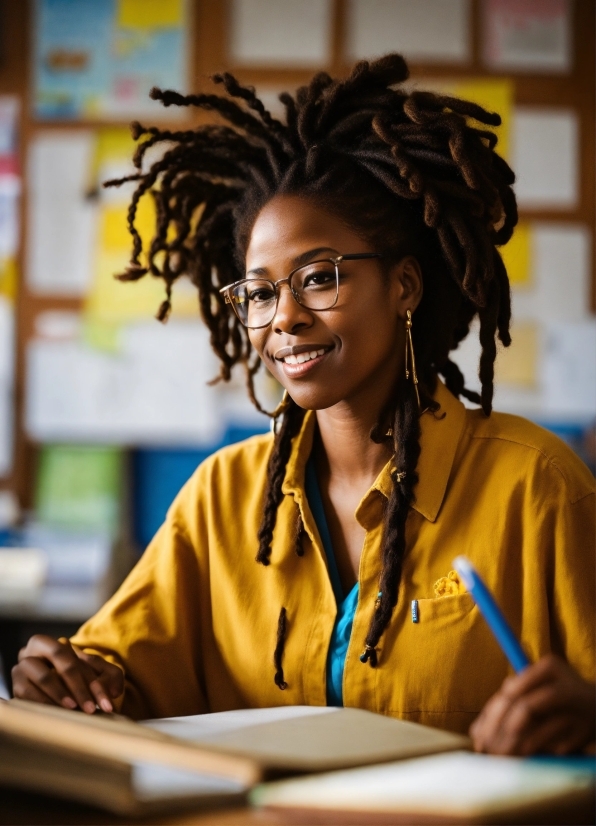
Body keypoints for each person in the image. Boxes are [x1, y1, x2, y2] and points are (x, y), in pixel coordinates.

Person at [13, 55, 594, 756]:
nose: (282, 317)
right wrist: (67, 680)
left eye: (319, 278)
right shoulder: (221, 498)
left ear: (405, 285)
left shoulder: (538, 488)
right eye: (258, 292)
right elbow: (121, 683)